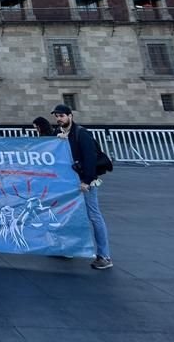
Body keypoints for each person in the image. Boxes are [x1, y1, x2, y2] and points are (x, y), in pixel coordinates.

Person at [53, 103, 112, 270]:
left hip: (85, 183)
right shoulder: (60, 134)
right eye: (57, 116)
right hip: (69, 182)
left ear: (70, 116)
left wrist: (87, 180)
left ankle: (104, 256)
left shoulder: (81, 134)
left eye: (62, 116)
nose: (59, 119)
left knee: (94, 216)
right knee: (68, 214)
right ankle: (70, 248)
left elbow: (90, 158)